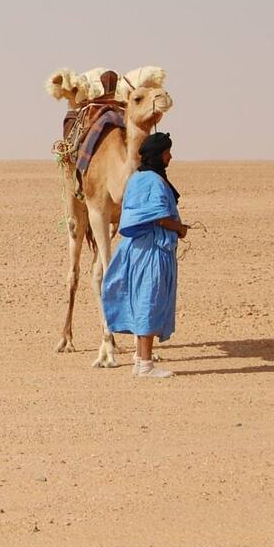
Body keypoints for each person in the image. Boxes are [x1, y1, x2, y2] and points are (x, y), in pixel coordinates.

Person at [100, 132, 189, 378]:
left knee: (142, 301)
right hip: (151, 252)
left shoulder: (136, 178)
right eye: (167, 152)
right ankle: (147, 364)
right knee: (149, 301)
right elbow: (159, 217)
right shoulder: (153, 182)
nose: (170, 157)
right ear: (159, 155)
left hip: (137, 250)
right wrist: (179, 228)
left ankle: (140, 360)